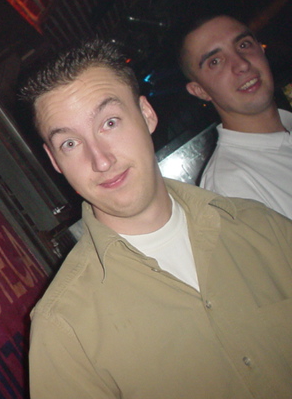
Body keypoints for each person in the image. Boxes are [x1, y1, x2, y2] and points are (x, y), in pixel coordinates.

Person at [20, 38, 292, 399]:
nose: (100, 160)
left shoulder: (260, 225)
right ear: (55, 161)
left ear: (147, 114)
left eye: (110, 123)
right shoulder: (63, 329)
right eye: (70, 143)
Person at [179, 14, 292, 218]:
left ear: (261, 48)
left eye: (243, 45)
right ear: (200, 90)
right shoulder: (230, 191)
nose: (241, 64)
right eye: (215, 61)